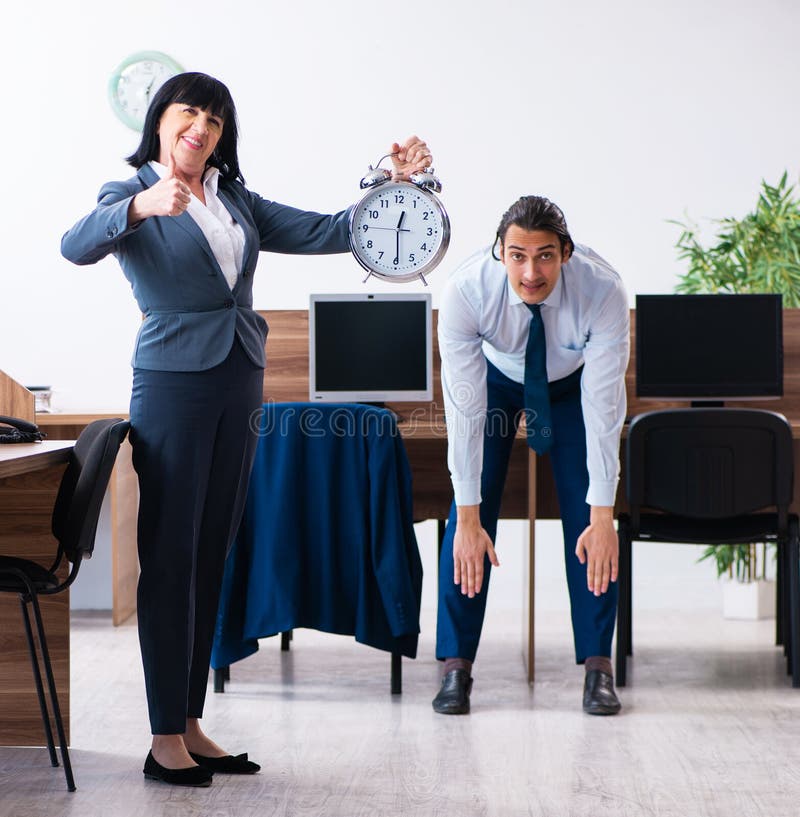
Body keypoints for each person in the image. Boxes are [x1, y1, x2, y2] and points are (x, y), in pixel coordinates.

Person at [61, 72, 433, 787]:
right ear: (162, 120)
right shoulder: (128, 194)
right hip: (172, 379)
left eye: (215, 118)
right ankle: (162, 734)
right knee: (170, 556)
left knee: (210, 554)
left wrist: (392, 185)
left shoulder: (232, 197)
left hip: (240, 376)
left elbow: (329, 229)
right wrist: (140, 206)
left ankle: (191, 721)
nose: (202, 125)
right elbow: (73, 245)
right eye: (190, 111)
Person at [433, 195, 629, 716]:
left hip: (571, 385)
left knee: (591, 523)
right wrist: (470, 515)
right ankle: (456, 666)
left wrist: (604, 510)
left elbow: (605, 404)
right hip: (495, 380)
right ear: (499, 252)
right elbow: (465, 411)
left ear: (565, 253)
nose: (531, 271)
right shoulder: (467, 291)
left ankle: (597, 667)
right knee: (466, 518)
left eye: (544, 255)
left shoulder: (603, 290)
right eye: (517, 255)